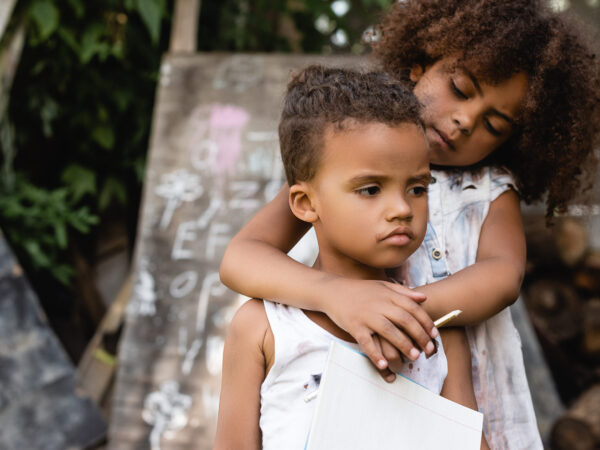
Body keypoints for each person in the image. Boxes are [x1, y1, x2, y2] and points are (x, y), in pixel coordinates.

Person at [219, 1, 600, 448]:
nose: (465, 121)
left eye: (494, 124)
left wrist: (400, 315)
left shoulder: (491, 189)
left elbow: (502, 276)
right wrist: (340, 297)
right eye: (460, 89)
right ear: (419, 64)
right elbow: (241, 258)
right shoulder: (341, 163)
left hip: (456, 375)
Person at [214, 65, 489, 450]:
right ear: (306, 203)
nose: (401, 209)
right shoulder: (263, 328)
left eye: (416, 188)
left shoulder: (435, 329)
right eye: (371, 189)